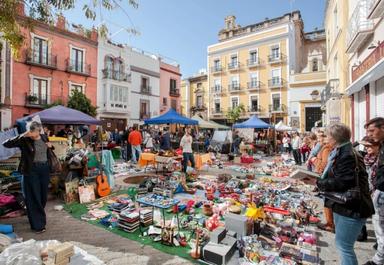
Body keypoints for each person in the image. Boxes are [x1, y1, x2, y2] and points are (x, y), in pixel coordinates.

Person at [316, 123, 374, 265]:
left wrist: (317, 182)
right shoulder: (344, 151)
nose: (326, 139)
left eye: (328, 136)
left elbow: (342, 182)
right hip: (345, 206)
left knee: (344, 247)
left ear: (335, 139)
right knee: (342, 244)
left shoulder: (346, 154)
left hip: (351, 207)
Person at [3, 121, 54, 234]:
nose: (34, 133)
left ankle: (35, 216)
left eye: (36, 130)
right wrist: (22, 135)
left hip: (44, 169)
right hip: (31, 171)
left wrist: (51, 146)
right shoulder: (24, 140)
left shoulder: (44, 137)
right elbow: (6, 144)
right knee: (33, 196)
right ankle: (38, 225)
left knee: (42, 197)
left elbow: (48, 150)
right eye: (32, 131)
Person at [363, 117, 384, 265]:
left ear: (382, 128)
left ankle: (378, 260)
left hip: (381, 190)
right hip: (378, 189)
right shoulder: (380, 148)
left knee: (380, 227)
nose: (369, 134)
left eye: (372, 130)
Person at [314, 134, 336, 233]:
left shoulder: (327, 148)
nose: (319, 139)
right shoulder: (325, 147)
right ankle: (330, 223)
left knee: (327, 201)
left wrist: (318, 170)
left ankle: (330, 224)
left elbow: (325, 163)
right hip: (324, 174)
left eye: (320, 138)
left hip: (325, 176)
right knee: (327, 200)